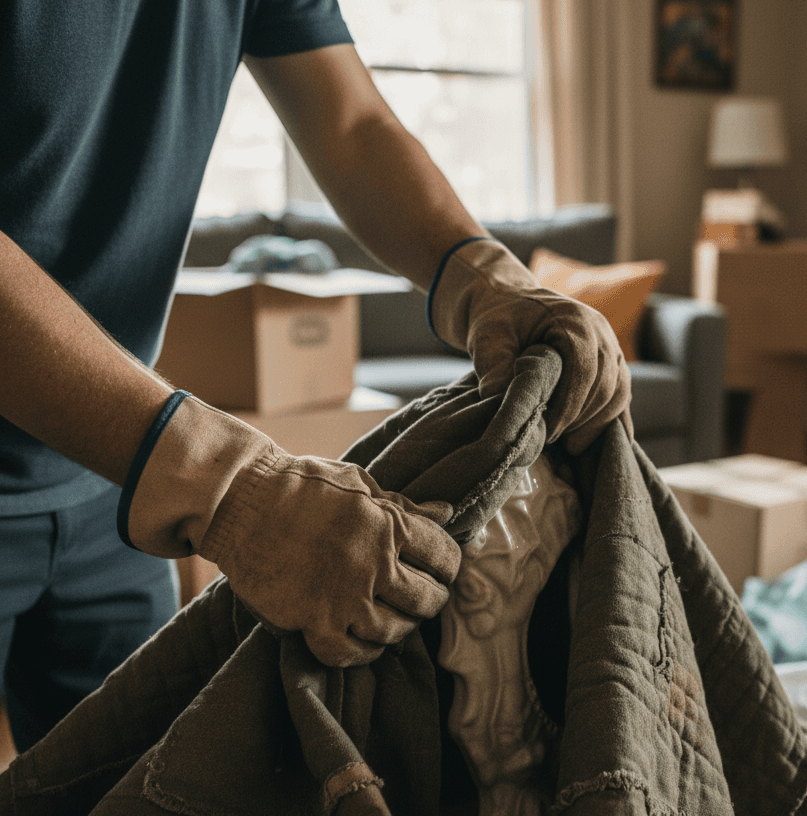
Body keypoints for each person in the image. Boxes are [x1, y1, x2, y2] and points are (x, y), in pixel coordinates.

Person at [0, 0, 630, 754]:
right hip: (128, 450)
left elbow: (352, 125)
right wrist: (229, 487)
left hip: (110, 486)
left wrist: (483, 276)